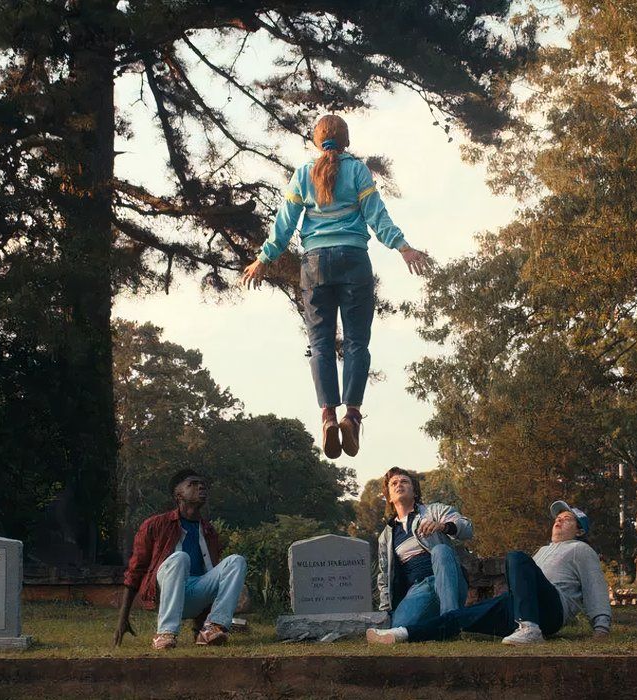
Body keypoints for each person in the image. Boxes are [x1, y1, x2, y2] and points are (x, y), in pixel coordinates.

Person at [241, 114, 432, 458]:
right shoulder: (358, 171)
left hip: (315, 265)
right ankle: (352, 416)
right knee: (358, 342)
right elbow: (376, 215)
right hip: (354, 260)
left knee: (320, 344)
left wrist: (263, 259)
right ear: (346, 141)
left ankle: (328, 416)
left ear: (317, 142)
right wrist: (403, 247)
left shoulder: (303, 175)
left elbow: (284, 224)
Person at [367, 500, 612, 645]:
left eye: (567, 519)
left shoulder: (581, 549)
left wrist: (601, 627)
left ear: (579, 531)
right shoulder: (542, 551)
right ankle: (402, 634)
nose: (558, 521)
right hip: (518, 608)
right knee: (460, 617)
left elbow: (595, 585)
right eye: (557, 518)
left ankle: (530, 628)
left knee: (515, 557)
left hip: (550, 610)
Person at [118, 470, 247, 650]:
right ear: (178, 494)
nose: (201, 487)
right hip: (165, 593)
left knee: (236, 561)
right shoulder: (155, 525)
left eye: (203, 484)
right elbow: (135, 570)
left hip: (196, 596)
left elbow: (211, 573)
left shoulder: (209, 531)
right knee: (180, 558)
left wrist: (199, 625)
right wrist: (123, 618)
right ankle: (165, 633)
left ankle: (213, 628)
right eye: (192, 484)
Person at [376, 467, 473, 628]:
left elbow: (467, 528)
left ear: (414, 492)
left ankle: (451, 620)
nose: (399, 484)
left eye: (404, 481)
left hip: (449, 580)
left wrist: (442, 526)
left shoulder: (433, 511)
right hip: (419, 589)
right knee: (399, 626)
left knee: (440, 550)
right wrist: (386, 612)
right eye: (393, 483)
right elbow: (384, 577)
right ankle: (437, 623)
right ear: (390, 498)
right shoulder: (386, 536)